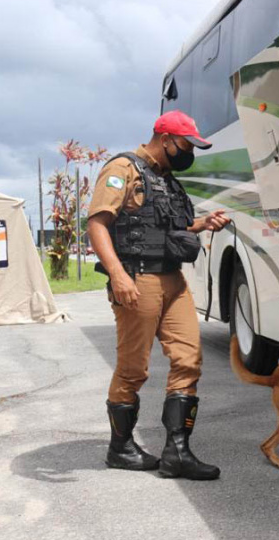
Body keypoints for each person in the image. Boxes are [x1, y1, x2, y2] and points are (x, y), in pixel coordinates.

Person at [87, 110, 230, 480]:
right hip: (138, 280)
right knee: (134, 368)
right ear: (165, 139)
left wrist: (202, 224)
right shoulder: (123, 169)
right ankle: (120, 448)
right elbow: (97, 223)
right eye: (185, 145)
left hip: (173, 280)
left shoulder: (164, 180)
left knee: (188, 359)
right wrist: (118, 275)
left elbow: (170, 227)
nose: (188, 153)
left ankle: (177, 453)